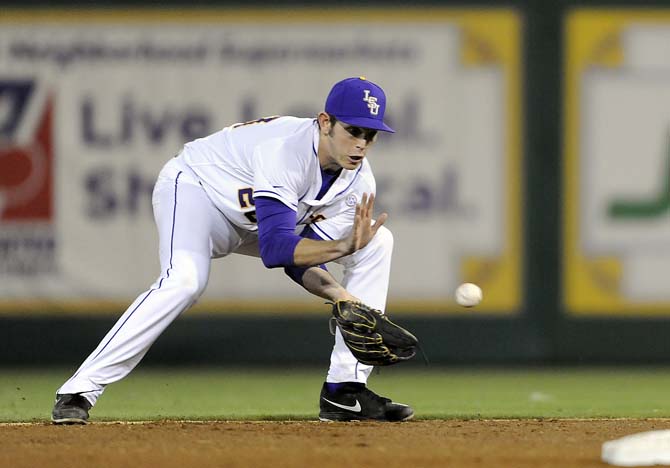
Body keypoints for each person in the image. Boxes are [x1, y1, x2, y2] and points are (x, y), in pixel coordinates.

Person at [51, 76, 414, 424]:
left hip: (252, 223)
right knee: (185, 281)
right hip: (198, 194)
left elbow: (298, 261)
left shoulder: (358, 182)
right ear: (325, 122)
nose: (362, 144)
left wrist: (342, 297)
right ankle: (79, 391)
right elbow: (276, 250)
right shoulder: (286, 150)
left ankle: (345, 390)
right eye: (353, 130)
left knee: (378, 241)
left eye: (370, 134)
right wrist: (340, 250)